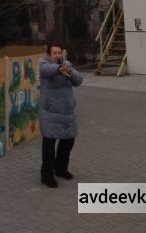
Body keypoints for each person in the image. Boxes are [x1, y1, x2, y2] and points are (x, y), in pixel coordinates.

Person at [39, 43, 83, 188]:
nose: (58, 55)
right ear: (49, 55)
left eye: (59, 53)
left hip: (67, 112)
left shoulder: (66, 65)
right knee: (49, 145)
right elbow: (46, 71)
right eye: (55, 53)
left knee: (68, 142)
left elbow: (78, 81)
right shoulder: (44, 65)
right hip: (50, 112)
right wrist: (59, 69)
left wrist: (69, 70)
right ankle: (47, 175)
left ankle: (61, 169)